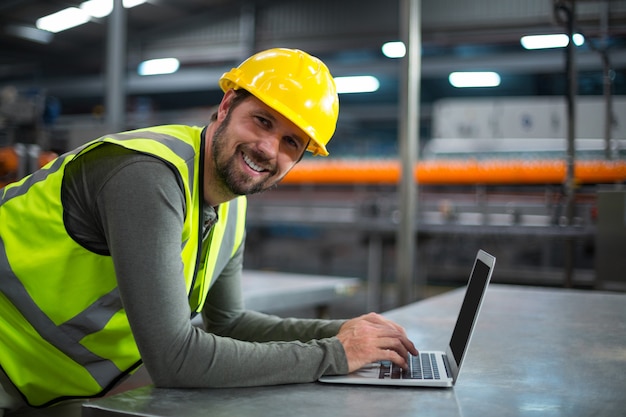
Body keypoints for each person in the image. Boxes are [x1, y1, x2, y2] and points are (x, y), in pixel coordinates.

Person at [0, 48, 417, 412]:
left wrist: (350, 333)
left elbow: (229, 322)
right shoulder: (149, 176)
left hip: (38, 381)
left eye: (292, 143)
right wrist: (334, 354)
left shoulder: (230, 206)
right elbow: (174, 358)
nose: (269, 149)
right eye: (262, 121)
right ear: (226, 106)